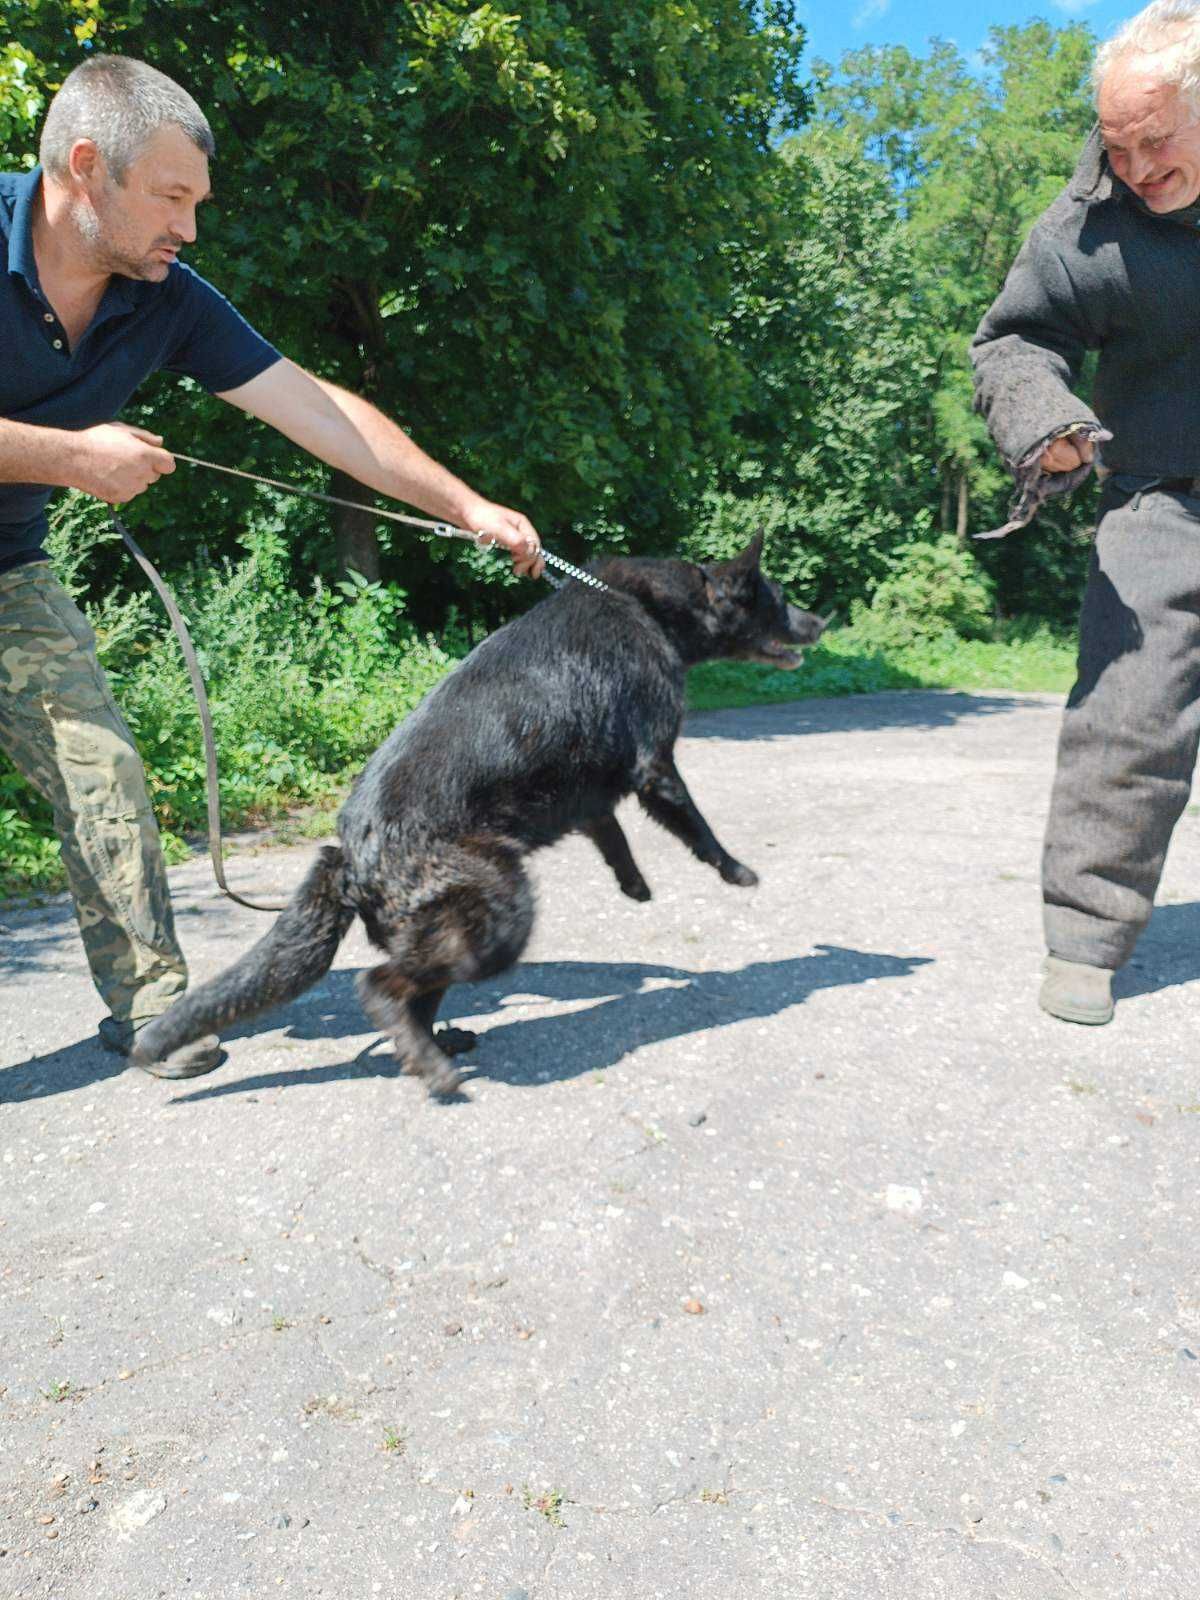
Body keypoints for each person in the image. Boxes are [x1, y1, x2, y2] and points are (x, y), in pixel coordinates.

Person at [0, 55, 544, 1078]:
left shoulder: (164, 294)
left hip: (6, 570)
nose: (190, 228)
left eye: (197, 202)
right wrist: (71, 456)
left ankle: (154, 1009)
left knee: (101, 765)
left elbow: (320, 412)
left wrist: (465, 503)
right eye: (171, 197)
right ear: (85, 167)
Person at [972, 0, 1200, 1026]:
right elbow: (1012, 343)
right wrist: (1044, 419)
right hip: (1159, 488)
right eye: (1119, 145)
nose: (1138, 166)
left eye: (1158, 141)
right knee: (1127, 709)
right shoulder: (1083, 228)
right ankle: (1084, 935)